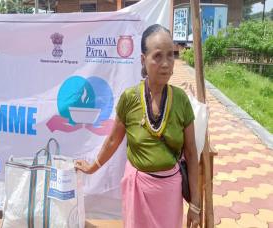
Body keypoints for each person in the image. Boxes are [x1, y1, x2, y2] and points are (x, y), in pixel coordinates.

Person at [75, 24, 200, 228]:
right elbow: (114, 140)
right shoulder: (130, 98)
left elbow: (192, 153)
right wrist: (92, 167)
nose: (166, 64)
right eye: (158, 56)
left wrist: (195, 204)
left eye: (171, 55)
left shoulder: (181, 100)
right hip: (138, 190)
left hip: (169, 192)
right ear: (143, 59)